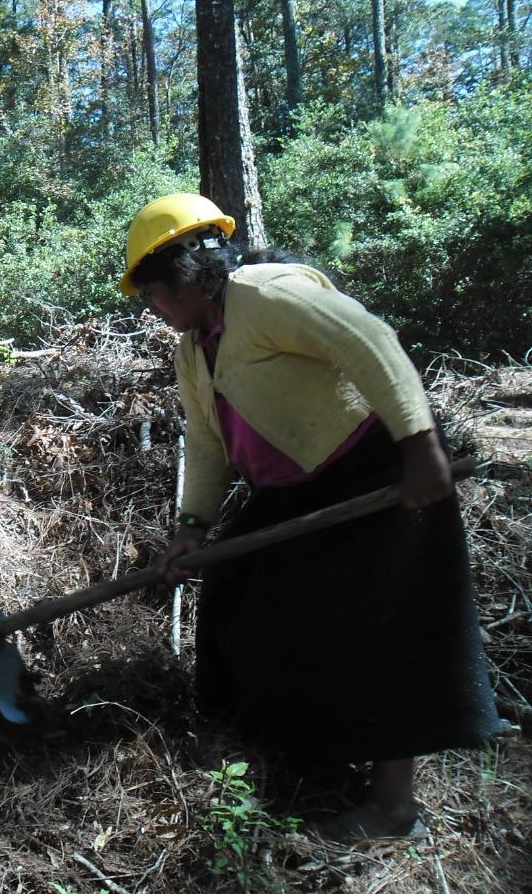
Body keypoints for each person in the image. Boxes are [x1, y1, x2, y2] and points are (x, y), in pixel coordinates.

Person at [120, 192, 500, 840]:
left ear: (184, 275)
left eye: (152, 293)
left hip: (377, 472)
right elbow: (209, 440)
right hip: (295, 491)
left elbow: (372, 343)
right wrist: (192, 527)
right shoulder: (193, 349)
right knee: (243, 601)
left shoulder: (266, 298)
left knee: (384, 632)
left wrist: (419, 444)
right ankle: (294, 754)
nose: (153, 310)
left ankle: (392, 807)